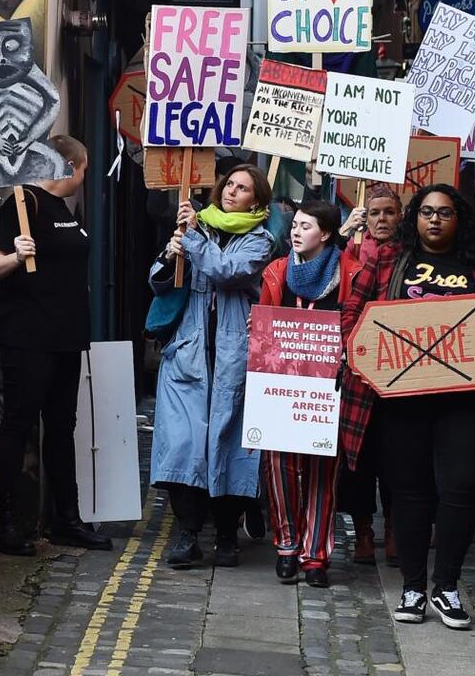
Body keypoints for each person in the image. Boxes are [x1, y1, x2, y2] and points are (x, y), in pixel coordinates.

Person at [340, 184, 475, 629]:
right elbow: (351, 314)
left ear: (459, 218)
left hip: (463, 402)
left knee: (460, 491)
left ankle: (448, 588)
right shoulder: (386, 259)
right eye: (425, 212)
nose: (434, 220)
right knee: (410, 495)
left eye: (444, 212)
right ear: (413, 218)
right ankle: (414, 588)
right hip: (402, 401)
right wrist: (360, 349)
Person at [0, 135, 112, 555]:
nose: (85, 175)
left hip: (66, 337)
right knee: (18, 426)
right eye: (85, 168)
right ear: (70, 167)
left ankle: (66, 520)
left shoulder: (62, 209)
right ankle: (4, 523)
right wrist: (16, 256)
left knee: (62, 428)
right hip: (27, 338)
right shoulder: (23, 205)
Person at [150, 163, 273, 569]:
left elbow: (226, 271)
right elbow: (159, 282)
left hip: (234, 357)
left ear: (257, 201)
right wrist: (171, 256)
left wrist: (196, 238)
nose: (232, 192)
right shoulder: (197, 227)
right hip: (189, 352)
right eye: (230, 185)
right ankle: (186, 533)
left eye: (243, 189)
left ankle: (225, 533)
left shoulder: (261, 241)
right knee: (184, 444)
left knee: (227, 444)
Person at [259, 201, 362, 588]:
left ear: (328, 234)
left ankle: (315, 554)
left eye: (306, 226)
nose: (296, 232)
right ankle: (286, 546)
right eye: (295, 225)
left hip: (328, 388)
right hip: (281, 386)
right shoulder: (277, 272)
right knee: (281, 468)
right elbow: (265, 329)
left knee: (322, 472)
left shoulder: (350, 272)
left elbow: (358, 324)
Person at [337, 184, 402, 565]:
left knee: (396, 458)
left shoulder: (409, 256)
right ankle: (363, 531)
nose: (381, 219)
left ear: (399, 216)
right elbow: (347, 304)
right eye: (374, 213)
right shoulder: (353, 253)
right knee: (356, 460)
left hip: (397, 372)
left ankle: (394, 527)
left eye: (388, 212)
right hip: (361, 372)